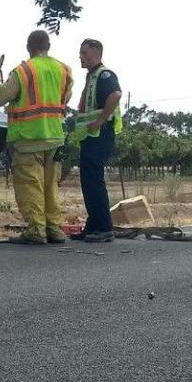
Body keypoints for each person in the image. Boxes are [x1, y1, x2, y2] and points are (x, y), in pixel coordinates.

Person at [0, 30, 72, 244]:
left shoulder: (23, 71)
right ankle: (54, 228)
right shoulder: (64, 70)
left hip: (28, 138)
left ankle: (36, 229)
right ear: (48, 45)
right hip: (54, 135)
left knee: (30, 184)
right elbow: (65, 97)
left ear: (28, 47)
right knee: (49, 185)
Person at [73, 39, 124, 243]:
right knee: (88, 182)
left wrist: (100, 120)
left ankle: (104, 228)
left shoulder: (105, 75)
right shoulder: (91, 77)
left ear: (96, 53)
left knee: (94, 181)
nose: (81, 57)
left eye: (85, 53)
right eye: (80, 53)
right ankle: (93, 226)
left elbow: (116, 94)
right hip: (90, 137)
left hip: (100, 135)